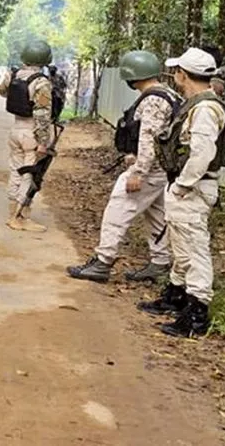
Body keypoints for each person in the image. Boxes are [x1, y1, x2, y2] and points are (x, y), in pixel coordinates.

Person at [137, 47, 225, 338]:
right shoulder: (197, 104)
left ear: (183, 74)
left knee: (195, 250)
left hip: (192, 187)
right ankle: (175, 296)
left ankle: (197, 314)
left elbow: (202, 154)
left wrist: (182, 185)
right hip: (184, 186)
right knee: (181, 246)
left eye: (177, 71)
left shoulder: (204, 109)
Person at [67, 51, 181, 283]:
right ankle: (160, 263)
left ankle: (103, 262)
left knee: (117, 210)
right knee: (156, 215)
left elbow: (149, 137)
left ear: (133, 75)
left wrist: (139, 171)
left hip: (150, 170)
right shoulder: (168, 94)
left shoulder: (153, 100)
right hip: (162, 171)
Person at [0, 40, 56, 232]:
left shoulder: (13, 75)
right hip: (31, 132)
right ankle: (20, 217)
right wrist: (43, 141)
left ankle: (11, 212)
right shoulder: (41, 82)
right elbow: (42, 114)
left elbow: (2, 91)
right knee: (29, 174)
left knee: (15, 171)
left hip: (16, 128)